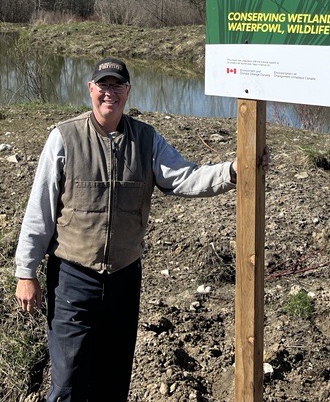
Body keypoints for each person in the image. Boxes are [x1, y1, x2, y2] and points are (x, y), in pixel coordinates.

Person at [14, 57, 240, 402]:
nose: (110, 93)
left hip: (124, 278)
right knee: (67, 384)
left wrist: (232, 171)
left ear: (128, 92)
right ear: (91, 89)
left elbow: (185, 177)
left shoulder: (146, 139)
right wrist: (26, 272)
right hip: (73, 279)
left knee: (113, 382)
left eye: (117, 86)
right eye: (103, 85)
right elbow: (39, 210)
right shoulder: (64, 137)